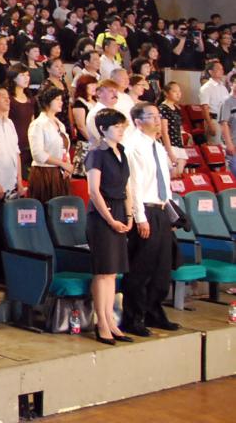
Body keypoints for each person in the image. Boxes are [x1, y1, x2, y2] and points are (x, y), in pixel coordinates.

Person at [121, 102, 180, 337]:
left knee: (162, 268)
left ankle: (154, 312)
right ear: (138, 121)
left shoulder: (157, 145)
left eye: (158, 115)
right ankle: (133, 318)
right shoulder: (133, 146)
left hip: (161, 209)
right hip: (145, 210)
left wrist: (172, 213)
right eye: (151, 116)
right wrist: (140, 217)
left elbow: (163, 182)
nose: (157, 120)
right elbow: (133, 185)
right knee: (141, 268)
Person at [84, 108, 135, 345]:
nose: (121, 130)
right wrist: (110, 218)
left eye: (123, 126)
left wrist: (129, 214)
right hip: (101, 215)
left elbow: (126, 187)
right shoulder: (97, 153)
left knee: (113, 272)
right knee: (103, 271)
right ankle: (101, 322)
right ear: (103, 129)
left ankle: (111, 320)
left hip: (120, 210)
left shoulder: (121, 151)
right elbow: (93, 191)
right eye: (116, 126)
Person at [26, 87, 72, 204]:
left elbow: (64, 148)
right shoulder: (38, 124)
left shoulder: (60, 124)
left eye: (61, 99)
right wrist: (62, 163)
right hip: (45, 173)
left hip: (60, 173)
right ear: (47, 101)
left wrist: (67, 164)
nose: (61, 102)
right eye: (57, 99)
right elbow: (38, 154)